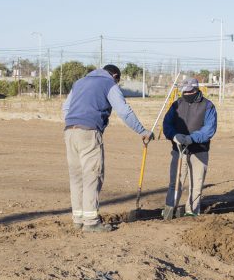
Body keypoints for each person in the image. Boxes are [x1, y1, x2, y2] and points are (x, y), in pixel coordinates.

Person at [62, 64, 153, 233]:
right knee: (92, 175)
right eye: (118, 81)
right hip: (89, 132)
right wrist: (142, 131)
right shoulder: (109, 84)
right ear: (115, 76)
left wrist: (73, 122)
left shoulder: (80, 82)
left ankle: (78, 219)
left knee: (76, 177)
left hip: (70, 131)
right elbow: (124, 111)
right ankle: (90, 222)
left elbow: (66, 108)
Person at [162, 78, 217, 219]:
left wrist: (192, 138)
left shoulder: (208, 106)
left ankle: (191, 211)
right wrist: (174, 136)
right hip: (178, 150)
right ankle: (169, 208)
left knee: (196, 183)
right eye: (184, 92)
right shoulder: (177, 104)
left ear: (196, 89)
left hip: (199, 150)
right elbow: (167, 123)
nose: (186, 94)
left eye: (189, 91)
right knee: (175, 182)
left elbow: (209, 130)